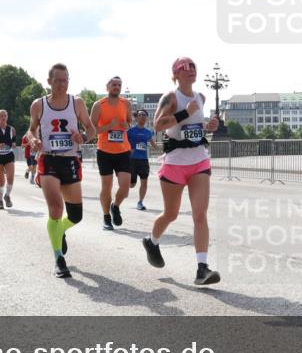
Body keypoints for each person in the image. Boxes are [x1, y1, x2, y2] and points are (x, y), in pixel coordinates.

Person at [141, 57, 222, 286]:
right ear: (175, 74)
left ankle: (202, 269)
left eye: (193, 67)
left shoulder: (201, 97)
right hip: (175, 163)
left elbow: (195, 126)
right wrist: (185, 113)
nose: (190, 71)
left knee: (200, 214)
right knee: (171, 214)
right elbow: (157, 125)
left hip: (199, 161)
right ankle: (152, 241)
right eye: (184, 68)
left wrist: (209, 127)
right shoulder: (171, 97)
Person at [25, 63, 95, 278]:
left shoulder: (78, 103)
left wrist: (82, 137)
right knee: (56, 209)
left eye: (65, 80)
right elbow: (30, 130)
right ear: (49, 82)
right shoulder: (39, 105)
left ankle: (60, 230)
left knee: (76, 216)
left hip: (70, 160)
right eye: (58, 80)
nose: (62, 84)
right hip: (49, 160)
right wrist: (34, 139)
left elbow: (91, 129)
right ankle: (59, 259)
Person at [91, 77, 134, 230]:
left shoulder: (126, 104)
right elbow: (92, 129)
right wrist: (109, 126)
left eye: (119, 85)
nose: (117, 87)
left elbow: (129, 124)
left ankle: (115, 206)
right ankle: (106, 217)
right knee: (106, 187)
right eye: (114, 85)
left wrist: (125, 125)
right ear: (107, 86)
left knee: (125, 187)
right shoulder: (99, 105)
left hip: (123, 150)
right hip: (105, 151)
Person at [127, 109, 157, 210]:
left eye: (144, 115)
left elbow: (154, 145)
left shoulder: (148, 132)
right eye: (140, 115)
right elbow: (122, 142)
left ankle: (140, 202)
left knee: (144, 182)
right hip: (132, 160)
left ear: (147, 118)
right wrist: (128, 150)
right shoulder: (130, 131)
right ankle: (122, 189)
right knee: (132, 184)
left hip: (143, 160)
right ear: (136, 118)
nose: (142, 116)